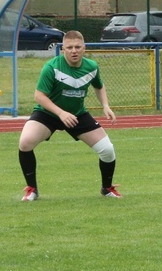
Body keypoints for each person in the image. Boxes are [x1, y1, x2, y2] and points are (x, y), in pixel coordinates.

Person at [18, 30, 121, 201]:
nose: (74, 50)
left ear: (84, 48)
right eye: (70, 47)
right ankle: (32, 190)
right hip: (48, 113)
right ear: (63, 49)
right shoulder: (51, 67)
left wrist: (105, 105)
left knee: (108, 150)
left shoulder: (92, 67)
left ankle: (107, 188)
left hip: (77, 115)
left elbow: (99, 86)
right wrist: (60, 113)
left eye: (78, 47)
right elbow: (39, 96)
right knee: (25, 142)